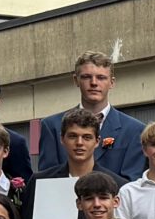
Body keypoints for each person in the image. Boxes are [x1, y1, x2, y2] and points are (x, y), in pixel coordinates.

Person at [30, 51, 146, 180]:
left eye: (101, 77)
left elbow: (132, 185)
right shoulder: (52, 126)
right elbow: (47, 180)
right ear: (76, 80)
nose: (94, 83)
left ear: (112, 82)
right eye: (86, 77)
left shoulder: (134, 130)